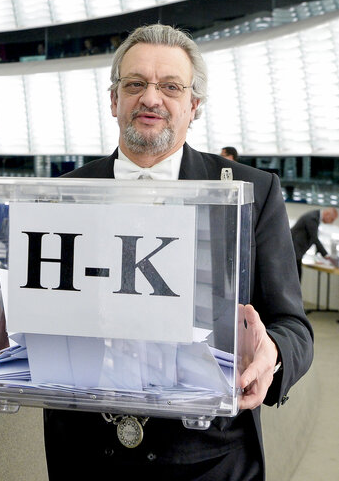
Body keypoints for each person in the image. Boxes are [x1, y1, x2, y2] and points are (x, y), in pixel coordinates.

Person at [45, 24, 313, 480]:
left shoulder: (255, 192)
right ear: (114, 101)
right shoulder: (63, 194)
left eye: (170, 86)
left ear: (194, 106)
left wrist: (273, 353)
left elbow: (294, 328)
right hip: (86, 457)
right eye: (135, 84)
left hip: (210, 458)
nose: (151, 98)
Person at [291, 207, 338, 278]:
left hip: (296, 252)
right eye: (332, 219)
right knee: (295, 279)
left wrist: (319, 257)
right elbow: (314, 238)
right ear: (327, 214)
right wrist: (326, 255)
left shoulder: (315, 217)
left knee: (296, 279)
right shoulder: (312, 218)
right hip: (294, 252)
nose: (331, 222)